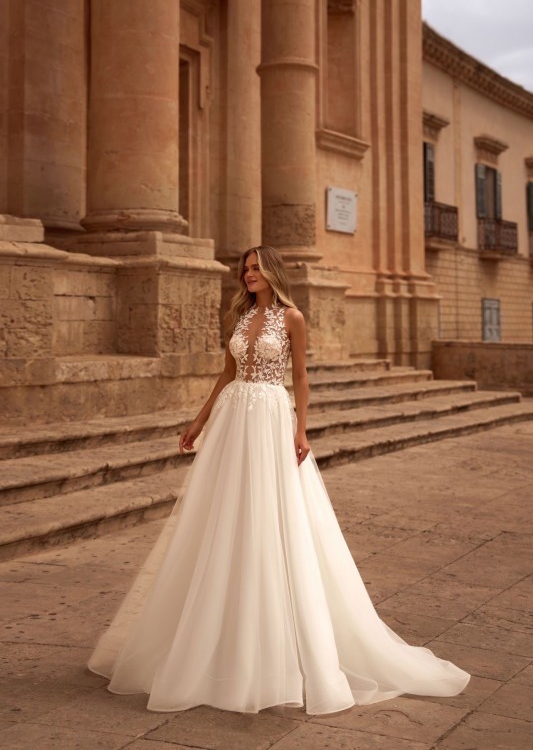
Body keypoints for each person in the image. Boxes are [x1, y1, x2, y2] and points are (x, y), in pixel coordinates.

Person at [88, 245, 470, 715]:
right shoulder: (240, 317)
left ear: (272, 272)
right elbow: (226, 374)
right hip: (233, 419)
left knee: (272, 515)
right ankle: (211, 630)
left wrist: (301, 428)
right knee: (221, 516)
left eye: (255, 268)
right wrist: (198, 421)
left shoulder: (292, 317)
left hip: (270, 417)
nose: (248, 275)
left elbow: (302, 378)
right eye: (244, 269)